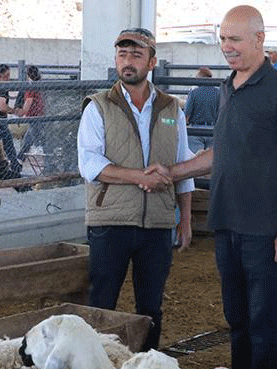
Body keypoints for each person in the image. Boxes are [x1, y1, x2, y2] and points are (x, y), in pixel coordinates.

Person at [155, 5, 277, 369]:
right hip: (227, 224)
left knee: (264, 320)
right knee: (237, 318)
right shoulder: (228, 86)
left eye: (235, 39)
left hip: (266, 230)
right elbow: (220, 153)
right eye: (223, 39)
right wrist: (171, 173)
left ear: (259, 39)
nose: (227, 47)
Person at [76, 27, 194, 352]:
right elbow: (90, 165)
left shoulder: (172, 109)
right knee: (101, 305)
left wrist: (185, 219)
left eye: (136, 55)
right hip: (110, 220)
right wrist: (140, 178)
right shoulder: (97, 107)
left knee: (151, 308)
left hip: (157, 223)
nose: (128, 62)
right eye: (122, 55)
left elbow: (184, 164)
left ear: (152, 61)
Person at [183, 66, 221, 152]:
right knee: (211, 160)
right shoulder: (218, 92)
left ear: (200, 78)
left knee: (195, 159)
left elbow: (187, 114)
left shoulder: (194, 93)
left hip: (195, 130)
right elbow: (222, 112)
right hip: (212, 130)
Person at [12, 65, 45, 161]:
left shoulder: (30, 87)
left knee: (40, 144)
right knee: (28, 141)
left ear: (28, 75)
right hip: (39, 116)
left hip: (34, 117)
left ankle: (49, 164)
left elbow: (27, 105)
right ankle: (20, 159)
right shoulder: (38, 84)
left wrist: (16, 112)